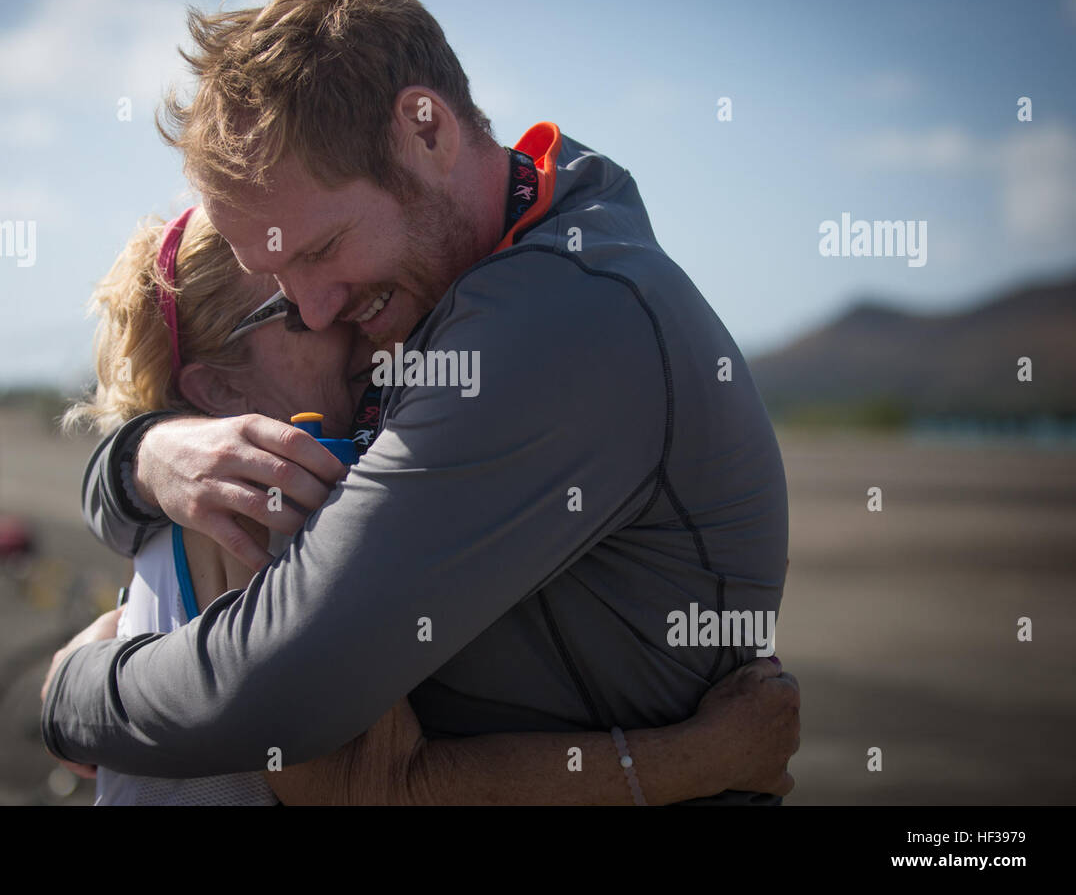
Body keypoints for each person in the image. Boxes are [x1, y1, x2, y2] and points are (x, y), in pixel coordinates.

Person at [43, 0, 792, 805]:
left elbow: (281, 690)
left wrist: (70, 692)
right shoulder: (480, 271)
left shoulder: (550, 318)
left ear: (427, 130)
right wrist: (143, 455)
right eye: (282, 288)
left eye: (320, 252)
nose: (317, 312)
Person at [62, 205, 799, 804]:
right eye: (295, 309)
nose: (344, 311)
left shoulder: (183, 500)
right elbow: (371, 790)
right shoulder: (266, 495)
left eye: (327, 268)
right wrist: (704, 759)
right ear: (218, 390)